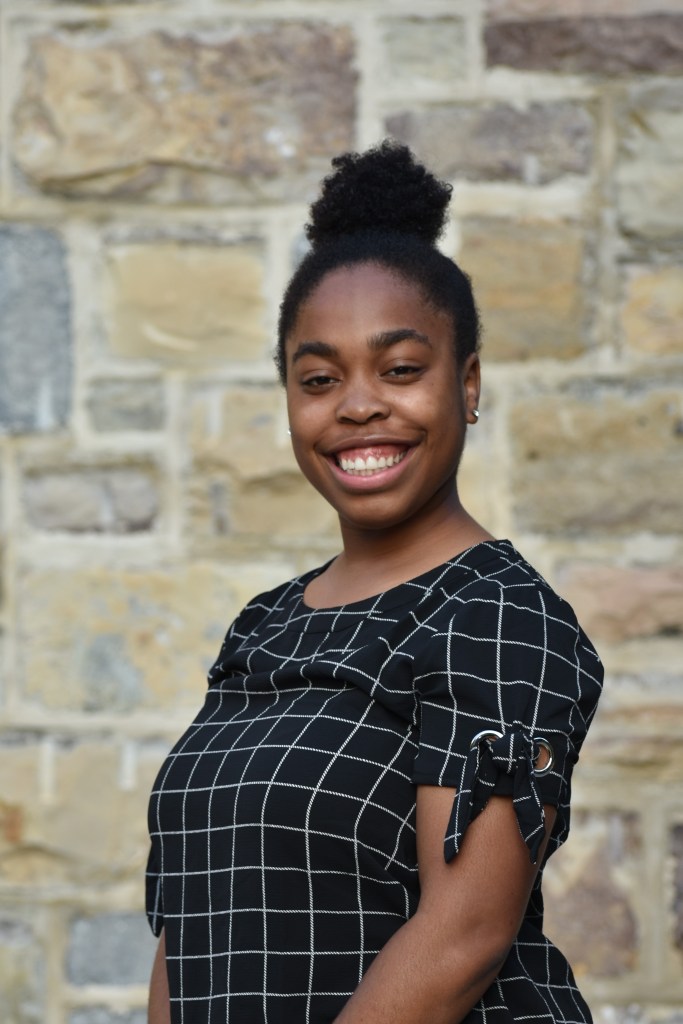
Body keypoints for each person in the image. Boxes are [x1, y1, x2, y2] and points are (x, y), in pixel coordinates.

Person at [146, 141, 603, 1024]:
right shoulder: (264, 624)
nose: (358, 406)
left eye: (399, 370)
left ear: (466, 384)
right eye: (319, 379)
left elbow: (463, 939)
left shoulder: (495, 617)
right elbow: (193, 923)